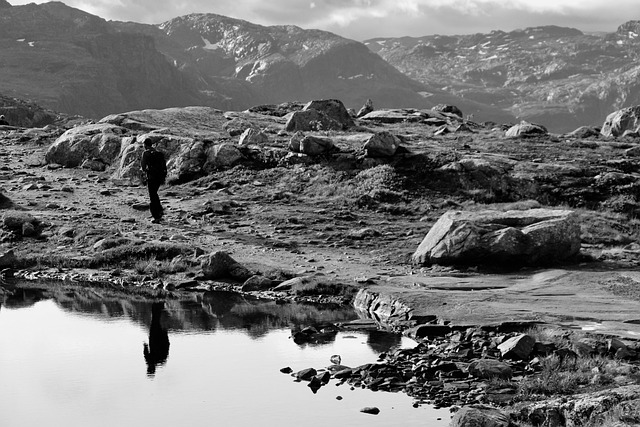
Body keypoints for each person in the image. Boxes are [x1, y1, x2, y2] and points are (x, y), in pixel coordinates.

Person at [140, 138, 167, 223]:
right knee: (155, 194)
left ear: (145, 145)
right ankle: (160, 211)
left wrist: (143, 174)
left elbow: (143, 167)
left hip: (151, 177)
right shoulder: (158, 153)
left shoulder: (146, 153)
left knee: (152, 195)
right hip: (159, 177)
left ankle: (156, 216)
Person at [143, 302, 170, 376]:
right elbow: (167, 346)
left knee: (156, 320)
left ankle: (158, 304)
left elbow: (167, 346)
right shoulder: (160, 360)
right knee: (155, 320)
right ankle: (157, 304)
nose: (149, 366)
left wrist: (165, 335)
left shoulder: (161, 360)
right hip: (156, 337)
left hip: (156, 337)